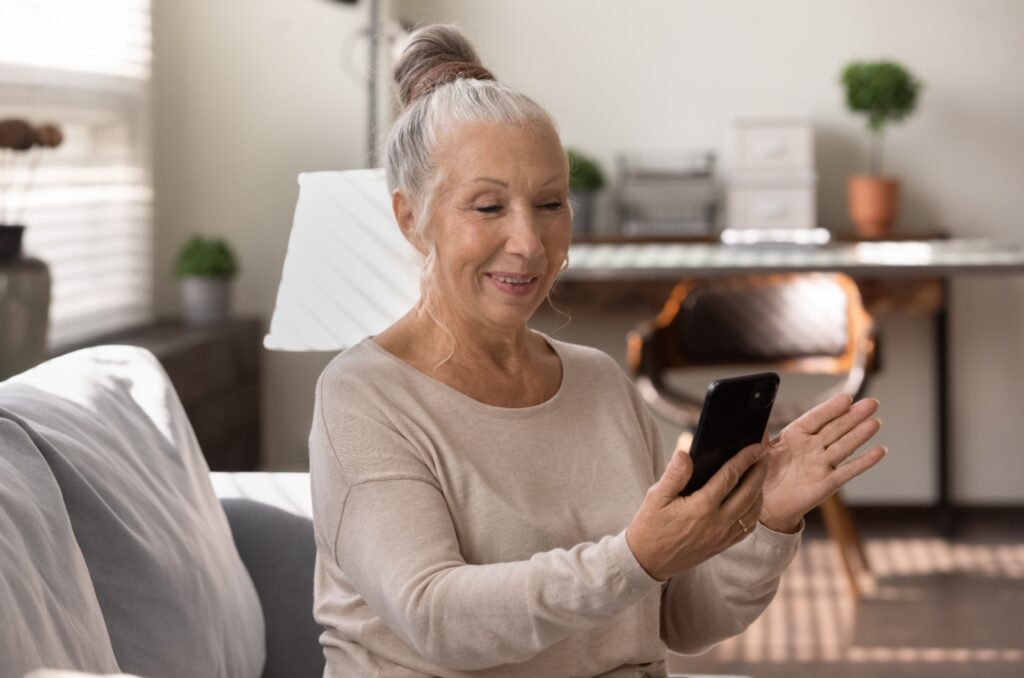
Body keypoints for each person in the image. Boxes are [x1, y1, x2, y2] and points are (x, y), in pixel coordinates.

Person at [308, 23, 886, 678]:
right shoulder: (364, 396)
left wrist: (767, 526)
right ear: (410, 217)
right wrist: (635, 557)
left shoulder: (598, 382)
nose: (529, 242)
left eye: (550, 203)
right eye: (489, 206)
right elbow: (437, 618)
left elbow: (679, 620)